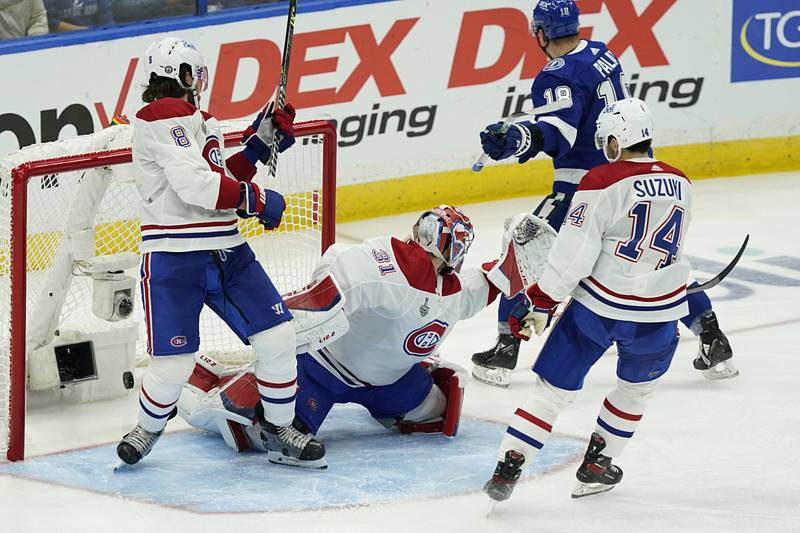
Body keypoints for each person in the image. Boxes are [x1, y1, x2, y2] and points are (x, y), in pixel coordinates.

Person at [472, 0, 736, 386]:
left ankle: (506, 348)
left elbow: (560, 132)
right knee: (651, 261)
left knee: (526, 246)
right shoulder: (601, 52)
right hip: (637, 174)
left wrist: (518, 139)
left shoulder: (554, 75)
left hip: (587, 185)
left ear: (541, 34)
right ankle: (711, 334)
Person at [116, 37, 325, 469]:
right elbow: (197, 187)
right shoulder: (160, 116)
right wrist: (256, 198)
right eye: (194, 71)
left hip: (228, 251)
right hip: (176, 257)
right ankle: (148, 427)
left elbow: (218, 175)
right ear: (179, 75)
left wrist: (257, 143)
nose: (200, 80)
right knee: (173, 363)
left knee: (278, 336)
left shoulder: (197, 120)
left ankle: (280, 426)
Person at [484, 98, 693, 502]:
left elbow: (575, 253)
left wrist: (542, 301)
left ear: (620, 138)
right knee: (634, 391)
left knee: (550, 392)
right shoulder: (683, 180)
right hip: (659, 313)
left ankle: (510, 465)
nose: (606, 146)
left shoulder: (599, 180)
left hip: (598, 309)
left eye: (609, 139)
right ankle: (597, 466)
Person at [176, 206, 503, 452]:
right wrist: (281, 329)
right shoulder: (387, 261)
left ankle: (402, 384)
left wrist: (514, 269)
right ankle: (198, 382)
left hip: (389, 381)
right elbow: (333, 287)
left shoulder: (453, 290)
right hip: (321, 369)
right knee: (253, 433)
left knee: (438, 411)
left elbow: (484, 286)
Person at [44, 0, 113, 32]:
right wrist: (80, 31)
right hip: (61, 43)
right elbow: (50, 22)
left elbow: (107, 21)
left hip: (97, 39)